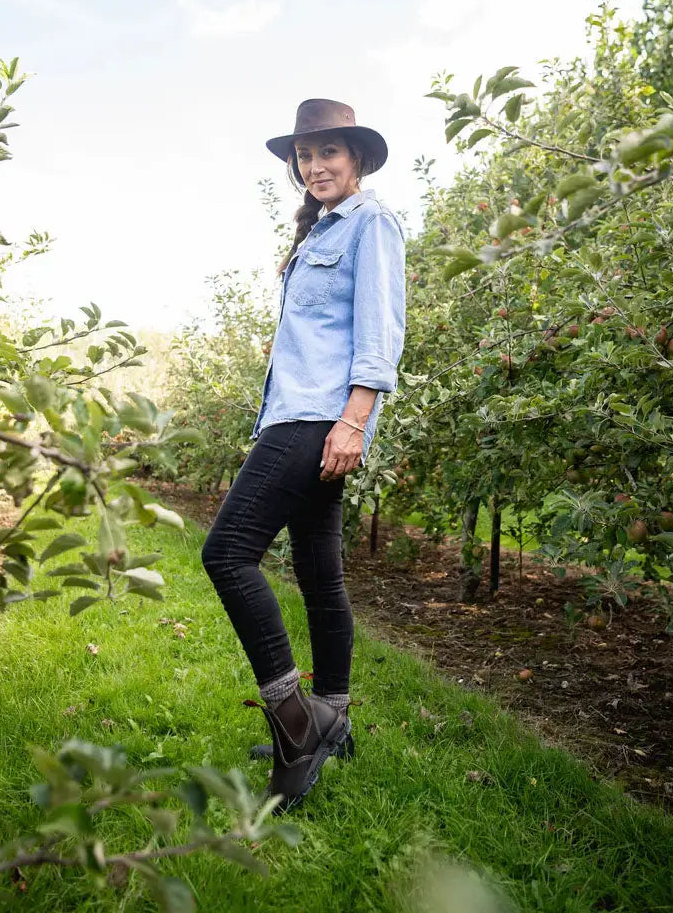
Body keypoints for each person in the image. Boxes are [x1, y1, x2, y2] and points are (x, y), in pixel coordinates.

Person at [201, 98, 406, 813]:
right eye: (305, 154)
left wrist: (355, 422)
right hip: (302, 413)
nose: (315, 165)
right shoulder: (320, 228)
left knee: (226, 554)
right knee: (320, 575)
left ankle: (297, 724)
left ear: (356, 158)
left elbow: (380, 331)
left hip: (320, 417)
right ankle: (336, 719)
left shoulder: (371, 222)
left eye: (328, 152)